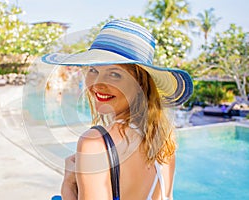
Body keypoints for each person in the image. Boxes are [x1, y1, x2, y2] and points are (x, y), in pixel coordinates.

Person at [42, 19, 193, 200]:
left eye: (115, 74)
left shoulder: (95, 143)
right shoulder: (163, 142)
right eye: (93, 70)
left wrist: (68, 185)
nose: (98, 84)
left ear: (140, 84)